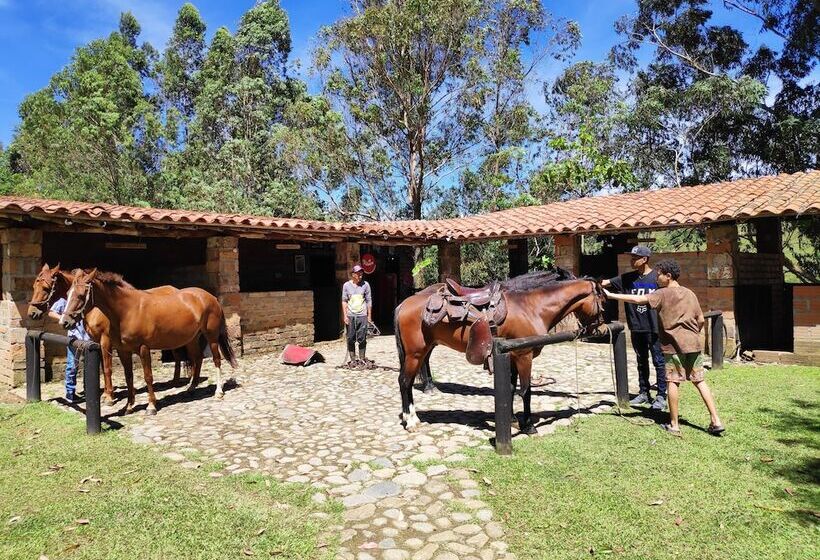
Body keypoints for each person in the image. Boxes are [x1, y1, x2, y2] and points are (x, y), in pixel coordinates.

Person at [604, 259, 725, 436]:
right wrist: (692, 334)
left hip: (674, 347)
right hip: (693, 345)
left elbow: (638, 299)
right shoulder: (690, 293)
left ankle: (674, 425)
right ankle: (716, 420)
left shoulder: (662, 294)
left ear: (668, 276)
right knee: (699, 381)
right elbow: (700, 319)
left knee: (672, 382)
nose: (656, 278)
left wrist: (612, 296)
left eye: (659, 275)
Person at [602, 245, 667, 410]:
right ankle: (644, 393)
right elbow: (604, 283)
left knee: (659, 362)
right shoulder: (626, 278)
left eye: (634, 258)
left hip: (655, 328)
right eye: (631, 257)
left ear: (644, 259)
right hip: (636, 327)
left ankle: (661, 395)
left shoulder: (657, 279)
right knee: (641, 361)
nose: (631, 260)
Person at [48, 296, 91, 403]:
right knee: (72, 365)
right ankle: (70, 393)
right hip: (74, 337)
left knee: (90, 365)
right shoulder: (65, 300)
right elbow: (51, 312)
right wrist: (62, 318)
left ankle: (89, 390)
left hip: (88, 338)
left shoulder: (87, 300)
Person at [342, 264, 373, 367]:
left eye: (361, 273)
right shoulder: (346, 285)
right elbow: (344, 301)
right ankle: (353, 359)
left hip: (362, 315)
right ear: (353, 274)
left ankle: (362, 358)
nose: (360, 276)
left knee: (362, 338)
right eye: (358, 274)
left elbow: (369, 301)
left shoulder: (366, 285)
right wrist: (345, 316)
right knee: (350, 338)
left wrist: (369, 316)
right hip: (351, 315)